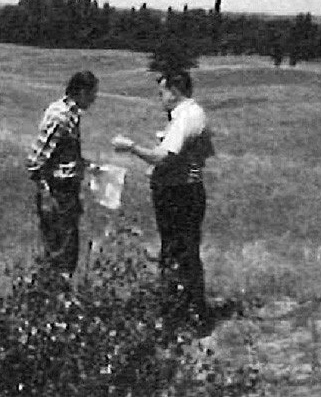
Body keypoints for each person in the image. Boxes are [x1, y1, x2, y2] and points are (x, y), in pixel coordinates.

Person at [111, 71, 215, 329]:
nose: (160, 99)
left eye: (162, 93)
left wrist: (131, 147)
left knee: (179, 253)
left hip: (180, 193)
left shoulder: (186, 117)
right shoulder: (189, 115)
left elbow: (162, 156)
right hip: (181, 189)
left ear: (175, 90)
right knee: (180, 251)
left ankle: (184, 316)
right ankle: (184, 311)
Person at [26, 70, 99, 275]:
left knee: (64, 245)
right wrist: (46, 192)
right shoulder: (61, 116)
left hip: (66, 188)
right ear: (82, 92)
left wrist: (84, 165)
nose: (94, 99)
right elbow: (35, 160)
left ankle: (54, 292)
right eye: (93, 93)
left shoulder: (70, 114)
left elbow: (60, 153)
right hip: (59, 190)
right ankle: (54, 294)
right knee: (61, 248)